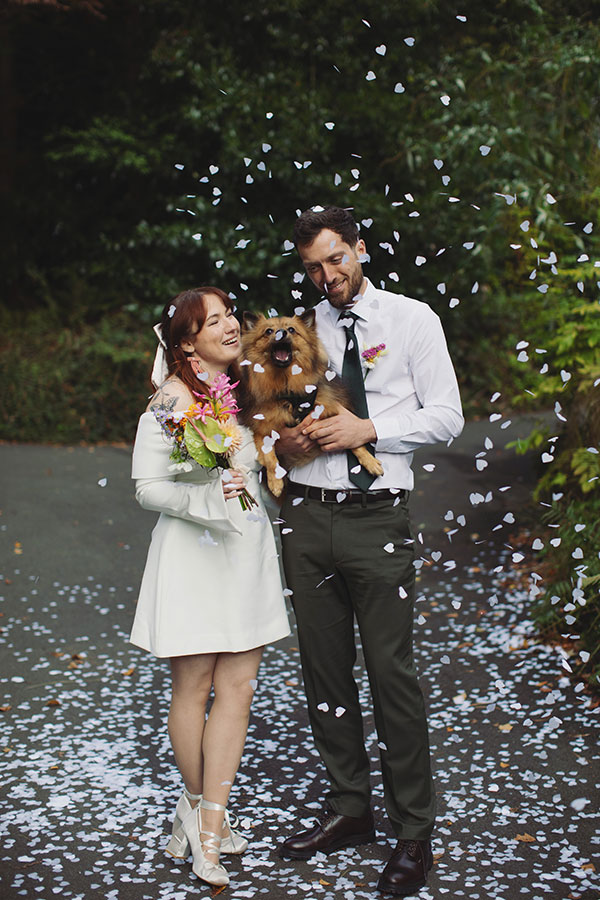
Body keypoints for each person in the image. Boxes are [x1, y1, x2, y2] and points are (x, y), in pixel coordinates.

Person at [276, 206, 463, 896]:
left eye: (335, 258)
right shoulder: (297, 332)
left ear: (360, 248)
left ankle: (414, 832)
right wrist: (283, 444)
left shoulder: (413, 320)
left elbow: (447, 416)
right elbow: (269, 418)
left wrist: (369, 428)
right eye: (313, 267)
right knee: (324, 672)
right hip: (305, 516)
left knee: (391, 674)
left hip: (378, 516)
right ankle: (349, 808)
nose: (327, 275)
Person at [130, 287, 290, 888]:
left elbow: (262, 459)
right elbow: (147, 486)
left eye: (229, 316)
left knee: (239, 688)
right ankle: (199, 813)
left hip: (245, 549)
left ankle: (212, 821)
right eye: (213, 321)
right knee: (194, 688)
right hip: (193, 554)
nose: (229, 327)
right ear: (187, 343)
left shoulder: (250, 389)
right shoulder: (169, 403)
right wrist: (206, 498)